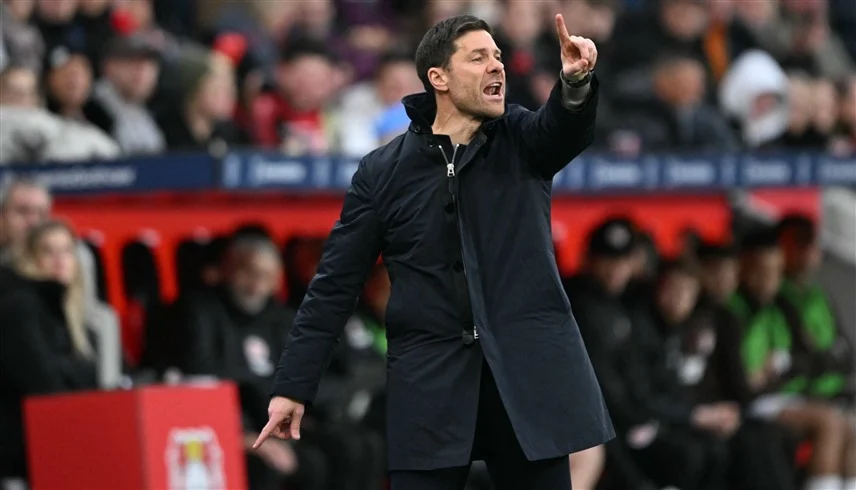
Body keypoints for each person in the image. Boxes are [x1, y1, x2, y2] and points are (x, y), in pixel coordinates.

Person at [254, 13, 613, 490]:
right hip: (430, 389)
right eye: (478, 58)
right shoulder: (382, 173)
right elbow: (334, 287)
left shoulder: (521, 137)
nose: (497, 66)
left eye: (498, 56)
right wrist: (292, 387)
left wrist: (575, 83)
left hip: (526, 381)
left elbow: (564, 131)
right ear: (438, 78)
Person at [729, 228, 856, 490]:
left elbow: (802, 359)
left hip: (783, 393)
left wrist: (781, 367)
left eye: (777, 271)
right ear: (745, 269)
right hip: (755, 401)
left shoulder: (776, 310)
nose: (772, 280)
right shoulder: (734, 312)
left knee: (850, 424)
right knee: (830, 423)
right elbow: (745, 379)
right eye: (764, 271)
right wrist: (770, 372)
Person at [0, 221, 98, 482]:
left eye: (66, 251)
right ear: (30, 259)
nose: (59, 260)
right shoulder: (21, 307)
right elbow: (43, 382)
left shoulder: (75, 316)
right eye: (48, 251)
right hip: (25, 453)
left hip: (56, 443)